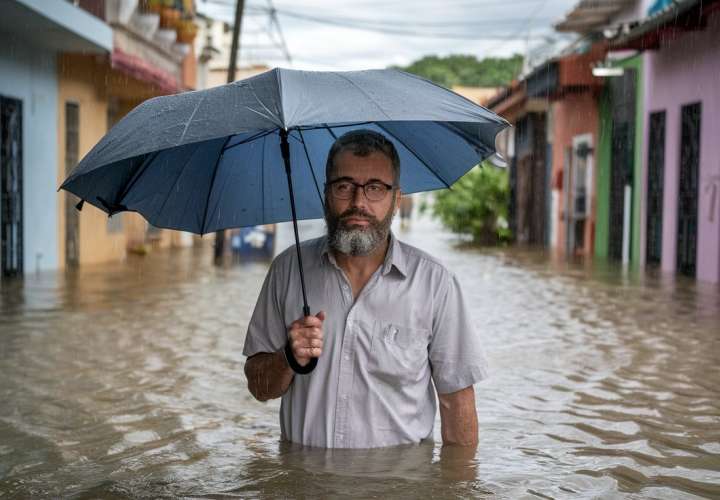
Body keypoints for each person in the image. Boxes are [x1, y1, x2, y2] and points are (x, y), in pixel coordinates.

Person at [243, 129, 487, 449]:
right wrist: (286, 358)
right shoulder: (288, 271)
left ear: (396, 199)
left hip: (396, 486)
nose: (359, 203)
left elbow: (457, 406)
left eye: (375, 188)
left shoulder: (435, 284)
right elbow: (259, 388)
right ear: (326, 194)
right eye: (344, 187)